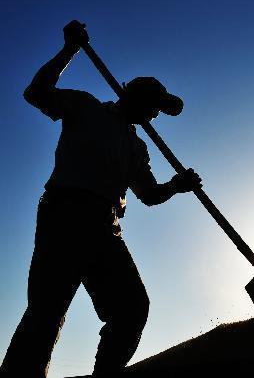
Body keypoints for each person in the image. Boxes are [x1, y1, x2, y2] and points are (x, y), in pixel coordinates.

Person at [0, 20, 201, 377]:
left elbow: (149, 195)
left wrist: (176, 184)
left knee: (132, 309)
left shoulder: (137, 148)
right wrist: (70, 49)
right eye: (155, 106)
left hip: (105, 227)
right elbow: (37, 93)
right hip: (63, 214)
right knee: (45, 314)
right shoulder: (85, 107)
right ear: (134, 96)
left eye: (159, 109)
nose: (156, 114)